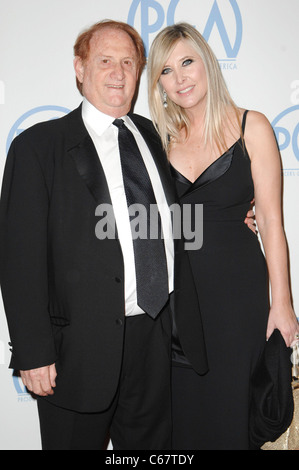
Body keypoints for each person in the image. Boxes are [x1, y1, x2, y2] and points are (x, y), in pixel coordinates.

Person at [0, 20, 209, 450]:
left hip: (154, 343)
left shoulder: (151, 134)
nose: (118, 73)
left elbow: (173, 219)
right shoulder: (38, 147)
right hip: (76, 351)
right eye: (105, 61)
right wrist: (33, 351)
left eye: (128, 63)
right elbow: (19, 259)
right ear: (80, 69)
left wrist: (239, 212)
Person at [147, 22, 299, 450]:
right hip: (176, 307)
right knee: (181, 422)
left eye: (188, 62)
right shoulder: (158, 140)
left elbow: (271, 221)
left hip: (238, 302)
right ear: (157, 83)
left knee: (232, 413)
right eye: (166, 70)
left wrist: (283, 304)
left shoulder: (253, 127)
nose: (180, 78)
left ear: (208, 64)